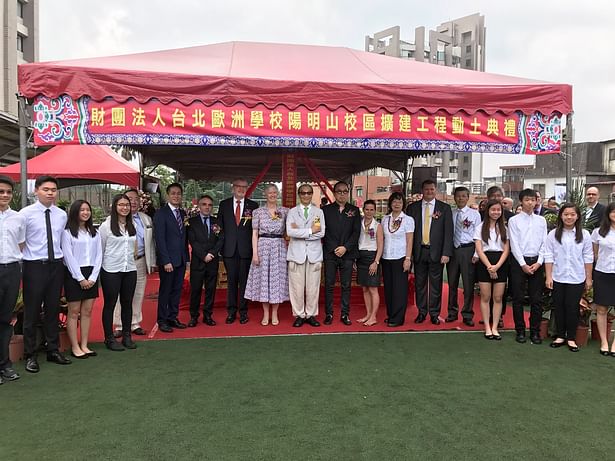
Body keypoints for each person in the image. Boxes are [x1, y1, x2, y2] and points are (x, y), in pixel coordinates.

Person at [20, 175, 71, 373]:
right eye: (46, 189)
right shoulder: (25, 214)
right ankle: (30, 354)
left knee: (53, 308)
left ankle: (53, 349)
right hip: (34, 266)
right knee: (31, 312)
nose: (50, 193)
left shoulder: (61, 214)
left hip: (55, 266)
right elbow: (20, 241)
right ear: (36, 191)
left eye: (53, 190)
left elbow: (61, 241)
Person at [544, 203, 593, 352]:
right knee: (559, 306)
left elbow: (588, 256)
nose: (569, 217)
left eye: (572, 214)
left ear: (577, 216)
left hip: (576, 277)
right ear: (561, 216)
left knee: (572, 308)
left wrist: (588, 278)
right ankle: (560, 335)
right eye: (566, 214)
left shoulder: (584, 234)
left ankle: (571, 338)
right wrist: (548, 276)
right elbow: (548, 255)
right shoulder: (553, 234)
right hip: (558, 276)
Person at [406, 179, 453, 325]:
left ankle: (434, 313)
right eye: (426, 189)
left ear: (436, 190)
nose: (429, 192)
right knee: (419, 284)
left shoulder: (444, 208)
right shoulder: (412, 208)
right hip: (419, 251)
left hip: (437, 252)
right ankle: (421, 312)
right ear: (422, 190)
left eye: (432, 189)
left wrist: (446, 253)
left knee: (435, 284)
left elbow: (448, 232)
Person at [61, 200, 102, 358]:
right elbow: (68, 257)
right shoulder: (67, 232)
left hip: (91, 273)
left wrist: (92, 277)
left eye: (88, 210)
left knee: (87, 311)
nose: (85, 213)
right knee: (73, 312)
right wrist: (80, 278)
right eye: (82, 210)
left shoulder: (95, 232)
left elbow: (99, 255)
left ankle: (84, 344)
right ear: (75, 212)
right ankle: (75, 346)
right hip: (74, 274)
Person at [112, 189, 156, 337]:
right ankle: (118, 324)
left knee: (138, 292)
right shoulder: (113, 220)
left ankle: (135, 322)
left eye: (137, 199)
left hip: (140, 259)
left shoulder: (146, 219)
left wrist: (152, 261)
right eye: (130, 199)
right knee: (120, 293)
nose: (134, 202)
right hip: (122, 261)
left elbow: (151, 243)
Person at [244, 185, 289, 325]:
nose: (273, 195)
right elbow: (254, 234)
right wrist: (255, 253)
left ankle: (275, 313)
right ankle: (265, 314)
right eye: (270, 192)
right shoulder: (257, 212)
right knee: (264, 281)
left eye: (275, 192)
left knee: (277, 281)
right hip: (262, 246)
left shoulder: (285, 211)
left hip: (279, 246)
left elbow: (289, 232)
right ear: (265, 194)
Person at [507, 188, 547, 344]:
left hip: (537, 262)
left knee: (536, 299)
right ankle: (520, 330)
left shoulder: (541, 220)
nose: (530, 203)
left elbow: (545, 243)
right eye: (527, 200)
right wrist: (523, 264)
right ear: (521, 202)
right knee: (517, 297)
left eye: (533, 200)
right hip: (519, 262)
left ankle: (535, 331)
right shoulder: (514, 220)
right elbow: (514, 244)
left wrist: (539, 262)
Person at [99, 194, 138, 351]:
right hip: (111, 270)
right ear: (115, 207)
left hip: (129, 269)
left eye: (127, 205)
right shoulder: (106, 226)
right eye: (121, 205)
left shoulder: (131, 225)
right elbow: (100, 249)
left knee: (127, 303)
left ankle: (127, 336)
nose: (124, 208)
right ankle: (109, 338)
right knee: (110, 304)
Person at [217, 178, 259, 324]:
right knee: (231, 282)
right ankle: (231, 312)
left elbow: (256, 230)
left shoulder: (253, 206)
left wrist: (255, 250)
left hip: (246, 250)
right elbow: (219, 228)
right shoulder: (224, 204)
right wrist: (220, 247)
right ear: (232, 188)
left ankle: (243, 312)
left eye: (244, 187)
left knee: (244, 282)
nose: (241, 189)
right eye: (238, 187)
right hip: (228, 250)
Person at [322, 181, 361, 325]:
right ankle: (329, 314)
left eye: (345, 191)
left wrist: (345, 247)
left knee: (346, 286)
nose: (342, 194)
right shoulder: (325, 210)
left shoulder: (354, 210)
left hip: (348, 254)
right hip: (330, 254)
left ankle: (345, 314)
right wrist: (334, 248)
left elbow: (356, 232)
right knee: (329, 285)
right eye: (339, 191)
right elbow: (323, 231)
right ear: (334, 192)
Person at [286, 184, 325, 328]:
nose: (306, 195)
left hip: (314, 255)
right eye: (303, 193)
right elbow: (290, 232)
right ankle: (299, 315)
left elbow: (321, 233)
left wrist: (300, 232)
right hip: (296, 254)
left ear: (312, 194)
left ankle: (311, 314)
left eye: (309, 193)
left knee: (313, 287)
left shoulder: (318, 212)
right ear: (299, 194)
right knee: (296, 287)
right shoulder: (292, 212)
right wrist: (310, 231)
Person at [154, 183, 189, 332]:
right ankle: (162, 320)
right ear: (168, 195)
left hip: (180, 259)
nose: (176, 196)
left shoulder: (182, 214)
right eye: (173, 193)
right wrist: (165, 260)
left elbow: (184, 238)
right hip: (168, 261)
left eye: (178, 193)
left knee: (176, 290)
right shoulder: (161, 214)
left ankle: (172, 317)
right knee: (166, 290)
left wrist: (186, 259)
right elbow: (159, 240)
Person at [0, 176, 25, 383]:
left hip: (11, 271)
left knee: (6, 320)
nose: (5, 195)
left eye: (8, 192)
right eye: (1, 191)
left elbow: (21, 244)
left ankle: (5, 364)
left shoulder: (18, 218)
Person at [474, 200, 510, 340]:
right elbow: (479, 249)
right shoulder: (480, 227)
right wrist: (489, 266)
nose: (496, 212)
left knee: (498, 297)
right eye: (493, 210)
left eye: (498, 210)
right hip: (485, 262)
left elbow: (506, 250)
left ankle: (495, 327)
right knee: (485, 296)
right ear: (488, 211)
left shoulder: (505, 229)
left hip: (501, 262)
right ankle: (487, 328)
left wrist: (497, 266)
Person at [187, 195, 224, 327]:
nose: (207, 207)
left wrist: (212, 254)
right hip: (198, 261)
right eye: (204, 204)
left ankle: (208, 315)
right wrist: (203, 256)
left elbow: (220, 240)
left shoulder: (217, 222)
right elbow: (193, 241)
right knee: (195, 290)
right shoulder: (191, 222)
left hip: (212, 261)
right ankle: (194, 316)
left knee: (210, 290)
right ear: (199, 205)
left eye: (209, 205)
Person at [446, 186, 481, 326]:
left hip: (468, 250)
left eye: (463, 196)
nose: (460, 198)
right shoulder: (450, 213)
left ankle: (467, 314)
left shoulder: (474, 214)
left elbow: (478, 236)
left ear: (468, 197)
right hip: (453, 251)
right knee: (452, 283)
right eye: (458, 196)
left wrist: (476, 253)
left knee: (468, 284)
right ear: (454, 197)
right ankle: (452, 312)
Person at [381, 192, 414, 327]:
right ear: (390, 203)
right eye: (394, 201)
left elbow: (409, 240)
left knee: (400, 289)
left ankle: (398, 318)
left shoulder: (408, 220)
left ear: (403, 204)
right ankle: (391, 315)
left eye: (399, 202)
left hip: (400, 257)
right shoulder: (384, 219)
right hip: (386, 257)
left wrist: (408, 258)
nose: (396, 204)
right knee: (389, 288)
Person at [591, 202, 615, 356]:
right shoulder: (598, 232)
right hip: (603, 273)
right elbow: (595, 254)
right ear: (608, 213)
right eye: (613, 211)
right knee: (601, 309)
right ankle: (604, 342)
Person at [356, 200, 383, 326]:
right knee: (365, 288)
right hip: (361, 257)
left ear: (375, 211)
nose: (369, 212)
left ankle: (373, 316)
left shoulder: (378, 226)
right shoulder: (358, 224)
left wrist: (376, 262)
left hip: (372, 257)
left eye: (372, 209)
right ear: (363, 210)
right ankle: (368, 314)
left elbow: (381, 246)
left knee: (373, 288)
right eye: (367, 209)